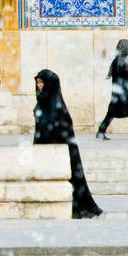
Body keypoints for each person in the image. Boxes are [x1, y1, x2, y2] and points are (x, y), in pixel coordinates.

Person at [33, 69, 102, 219]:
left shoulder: (57, 107)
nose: (39, 86)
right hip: (45, 151)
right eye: (38, 82)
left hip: (61, 152)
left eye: (42, 82)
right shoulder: (43, 102)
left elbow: (61, 130)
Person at [96, 38, 128, 140]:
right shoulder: (122, 60)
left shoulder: (115, 60)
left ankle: (101, 132)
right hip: (122, 94)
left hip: (116, 93)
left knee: (111, 114)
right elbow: (126, 72)